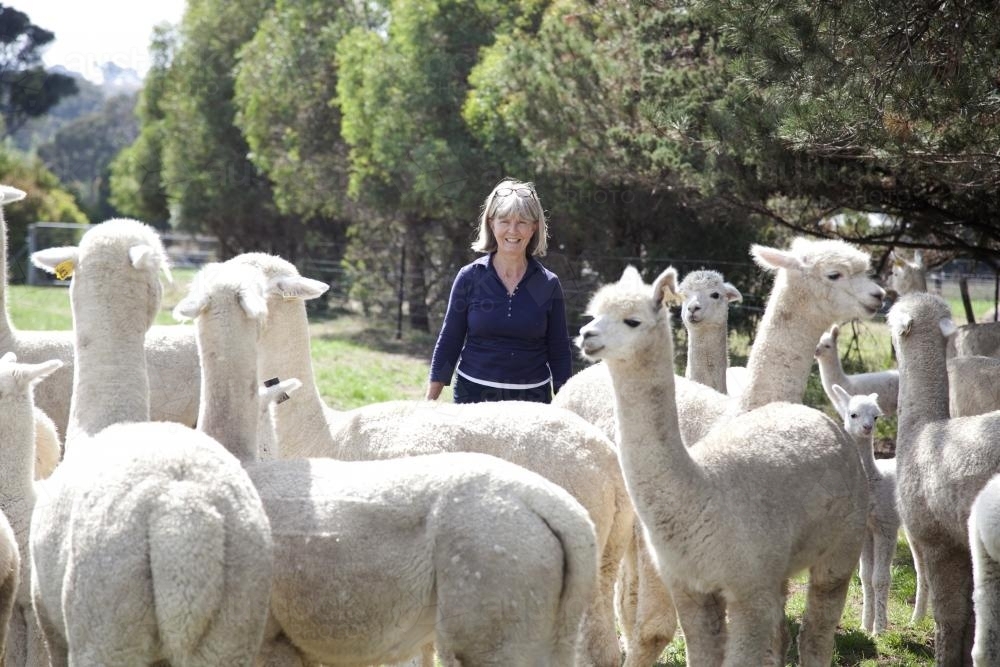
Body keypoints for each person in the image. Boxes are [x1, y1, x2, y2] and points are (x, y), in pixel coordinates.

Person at [426, 178, 572, 404]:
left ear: (534, 227)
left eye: (522, 222)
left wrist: (566, 405)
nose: (513, 230)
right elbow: (449, 341)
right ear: (491, 223)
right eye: (504, 221)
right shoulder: (470, 278)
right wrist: (429, 403)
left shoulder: (546, 284)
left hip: (531, 404)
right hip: (472, 399)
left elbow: (559, 350)